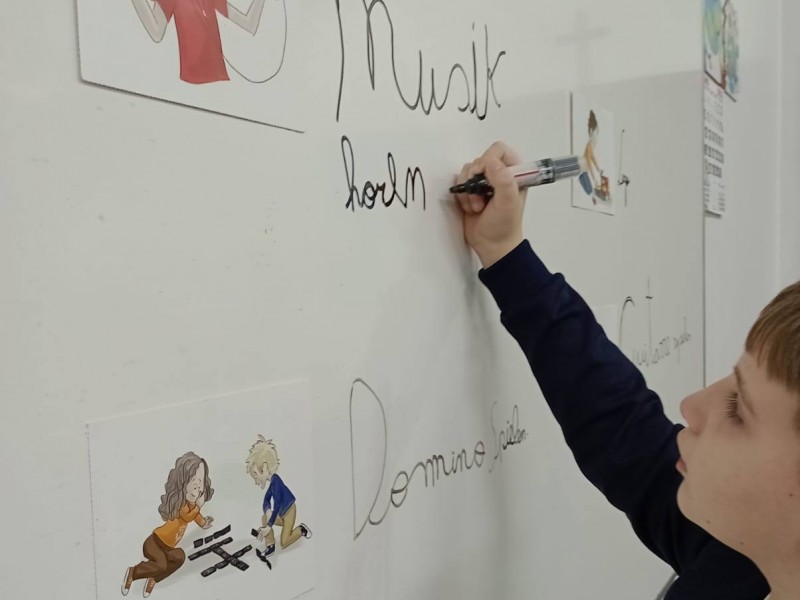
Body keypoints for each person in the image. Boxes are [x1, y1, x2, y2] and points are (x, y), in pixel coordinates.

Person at [452, 141, 800, 600]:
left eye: (738, 411)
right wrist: (507, 254)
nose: (691, 406)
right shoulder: (745, 557)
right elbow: (621, 427)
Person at [122, 452, 215, 598]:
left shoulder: (192, 506)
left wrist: (204, 524)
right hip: (155, 542)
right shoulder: (182, 504)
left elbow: (196, 517)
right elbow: (188, 516)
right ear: (183, 482)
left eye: (200, 484)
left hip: (168, 547)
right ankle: (133, 572)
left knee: (180, 557)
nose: (197, 488)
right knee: (161, 565)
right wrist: (198, 506)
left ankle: (154, 578)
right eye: (193, 481)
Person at [246, 435, 312, 559]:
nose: (256, 480)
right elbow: (266, 500)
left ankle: (301, 530)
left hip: (289, 512)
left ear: (264, 467)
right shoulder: (272, 483)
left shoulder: (276, 481)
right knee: (264, 517)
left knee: (284, 542)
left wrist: (269, 526)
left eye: (256, 475)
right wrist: (268, 511)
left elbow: (276, 505)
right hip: (281, 514)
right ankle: (270, 545)